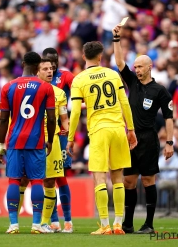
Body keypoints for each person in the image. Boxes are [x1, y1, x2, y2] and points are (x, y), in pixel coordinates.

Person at [67, 41, 137, 235]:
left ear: (83, 57)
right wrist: (130, 129)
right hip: (117, 128)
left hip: (98, 130)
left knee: (99, 177)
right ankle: (118, 224)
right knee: (118, 178)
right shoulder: (113, 74)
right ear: (100, 57)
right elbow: (125, 103)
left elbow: (74, 114)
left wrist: (71, 138)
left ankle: (105, 225)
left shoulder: (79, 79)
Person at [112, 24, 174, 234]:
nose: (136, 69)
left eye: (139, 66)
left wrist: (169, 142)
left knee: (148, 179)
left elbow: (169, 117)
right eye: (135, 66)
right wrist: (116, 39)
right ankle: (128, 224)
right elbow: (119, 62)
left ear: (149, 67)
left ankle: (149, 224)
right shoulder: (132, 82)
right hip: (130, 137)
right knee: (129, 180)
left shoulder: (160, 91)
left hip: (148, 139)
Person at [0, 51, 56, 234]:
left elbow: (3, 119)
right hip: (36, 140)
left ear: (22, 63)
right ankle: (37, 225)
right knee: (37, 181)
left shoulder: (8, 86)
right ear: (39, 66)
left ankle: (13, 224)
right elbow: (52, 118)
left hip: (14, 141)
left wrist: (1, 144)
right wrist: (51, 140)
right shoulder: (46, 87)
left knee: (14, 180)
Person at [37, 59, 69, 232]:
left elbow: (64, 119)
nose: (50, 71)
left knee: (50, 181)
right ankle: (14, 224)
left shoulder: (59, 93)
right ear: (37, 71)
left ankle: (44, 222)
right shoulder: (31, 89)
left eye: (51, 69)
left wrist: (68, 134)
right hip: (32, 140)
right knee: (24, 179)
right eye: (45, 69)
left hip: (53, 141)